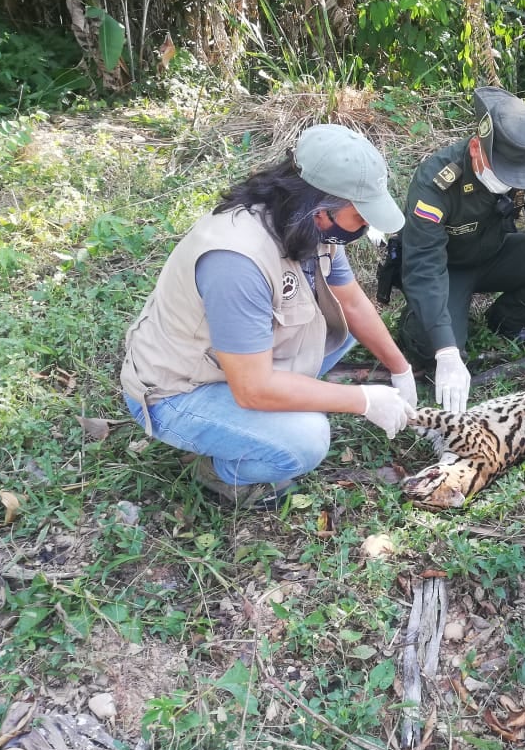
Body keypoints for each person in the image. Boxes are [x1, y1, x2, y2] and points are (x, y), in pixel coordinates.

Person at [120, 124, 418, 508]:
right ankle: (220, 472)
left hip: (235, 365)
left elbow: (352, 304)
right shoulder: (236, 262)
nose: (365, 226)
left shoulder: (311, 227)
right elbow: (253, 388)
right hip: (179, 390)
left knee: (341, 327)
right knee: (306, 440)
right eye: (359, 216)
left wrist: (400, 369)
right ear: (319, 208)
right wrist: (361, 400)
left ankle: (268, 413)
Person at [397, 86, 525, 413]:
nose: (514, 182)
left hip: (496, 253)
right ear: (476, 148)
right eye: (505, 174)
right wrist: (446, 351)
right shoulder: (436, 183)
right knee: (430, 346)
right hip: (447, 269)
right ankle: (420, 325)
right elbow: (424, 268)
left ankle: (504, 322)